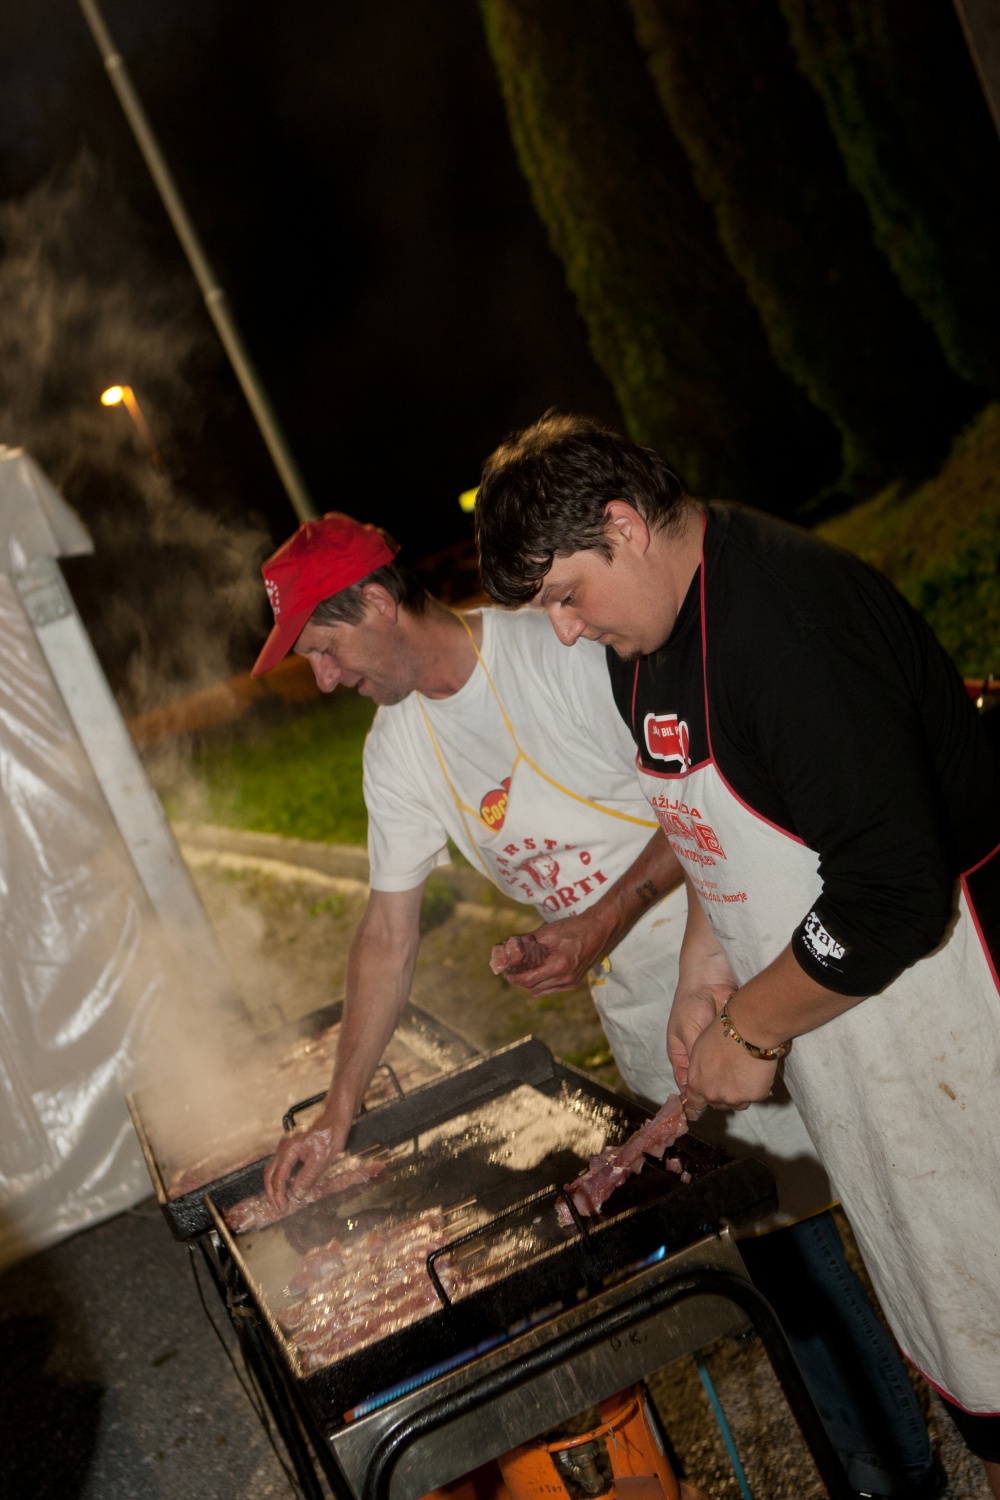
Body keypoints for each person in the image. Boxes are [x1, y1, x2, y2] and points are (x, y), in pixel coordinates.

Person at [253, 512, 935, 1499]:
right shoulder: (396, 749)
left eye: (325, 648)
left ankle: (917, 1444)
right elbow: (385, 937)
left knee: (853, 1199)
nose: (322, 679)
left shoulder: (551, 652)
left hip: (746, 949)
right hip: (640, 1009)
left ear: (379, 600)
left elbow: (696, 792)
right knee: (762, 1246)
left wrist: (598, 921)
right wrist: (337, 1111)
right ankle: (882, 1469)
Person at [474, 413, 1000, 1497]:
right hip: (845, 1022)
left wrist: (753, 1025)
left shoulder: (787, 625)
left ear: (623, 525)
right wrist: (706, 965)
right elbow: (709, 811)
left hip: (948, 1002)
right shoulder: (646, 644)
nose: (565, 632)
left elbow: (894, 890)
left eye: (567, 595)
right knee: (953, 1308)